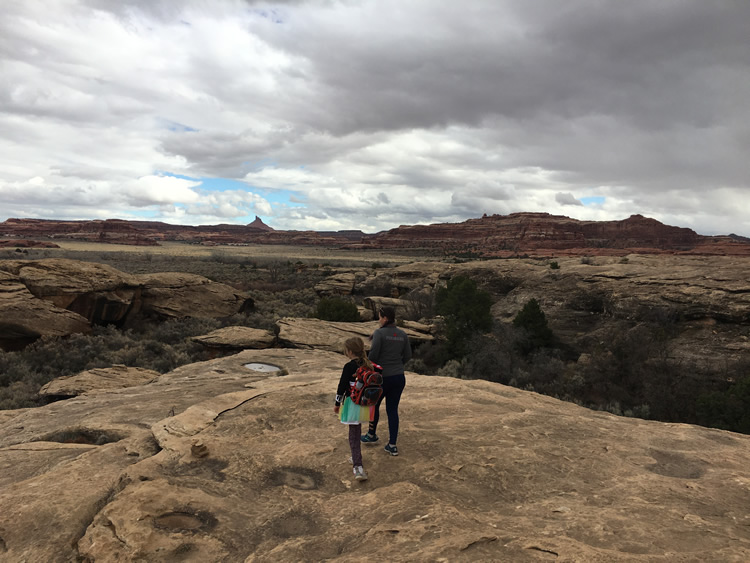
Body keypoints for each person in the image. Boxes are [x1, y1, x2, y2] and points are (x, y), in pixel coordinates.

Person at [361, 306, 411, 456]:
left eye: (380, 317)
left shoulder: (379, 333)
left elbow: (373, 356)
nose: (378, 320)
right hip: (399, 377)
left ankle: (371, 435)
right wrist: (397, 364)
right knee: (392, 410)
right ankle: (392, 445)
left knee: (374, 405)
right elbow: (408, 356)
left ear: (385, 318)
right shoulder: (403, 334)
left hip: (382, 378)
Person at [334, 337, 377, 481]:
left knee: (353, 434)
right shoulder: (368, 364)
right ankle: (355, 457)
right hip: (365, 404)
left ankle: (358, 467)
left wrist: (337, 403)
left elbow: (341, 387)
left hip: (352, 404)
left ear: (350, 351)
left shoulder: (349, 367)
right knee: (356, 429)